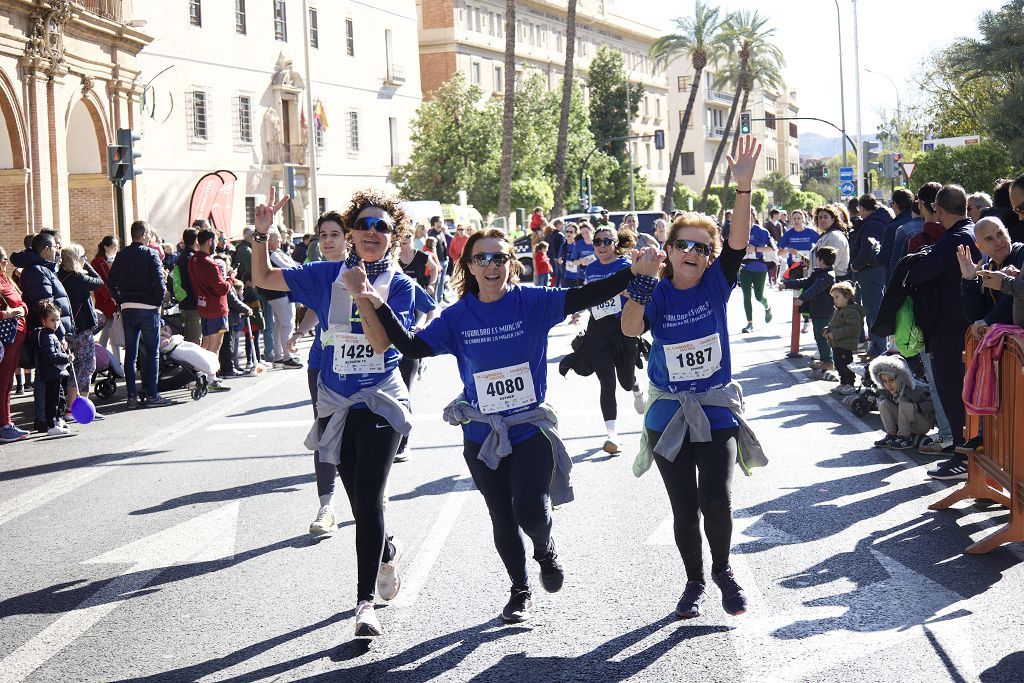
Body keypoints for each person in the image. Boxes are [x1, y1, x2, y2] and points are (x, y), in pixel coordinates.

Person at [356, 225, 663, 626]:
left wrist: (634, 274)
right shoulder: (458, 316)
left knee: (532, 513)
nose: (491, 265)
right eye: (481, 258)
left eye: (499, 257)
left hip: (529, 427)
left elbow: (586, 296)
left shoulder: (531, 302)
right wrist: (374, 302)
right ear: (468, 265)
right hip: (482, 434)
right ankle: (519, 590)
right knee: (502, 517)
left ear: (510, 264)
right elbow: (411, 346)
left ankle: (545, 548)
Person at [253, 188, 416, 638]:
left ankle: (364, 604)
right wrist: (260, 234)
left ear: (392, 236)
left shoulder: (398, 286)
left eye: (382, 227)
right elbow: (266, 277)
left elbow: (383, 345)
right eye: (364, 225)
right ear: (351, 232)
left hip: (381, 400)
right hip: (336, 402)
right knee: (359, 500)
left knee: (369, 496)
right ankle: (386, 550)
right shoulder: (326, 273)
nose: (372, 232)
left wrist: (363, 292)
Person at [620, 135, 767, 621]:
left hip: (716, 406)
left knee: (717, 501)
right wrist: (640, 283)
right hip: (668, 413)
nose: (692, 252)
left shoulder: (716, 282)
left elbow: (740, 241)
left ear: (709, 257)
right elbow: (630, 327)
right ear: (670, 250)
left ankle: (723, 570)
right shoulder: (657, 291)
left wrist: (742, 188)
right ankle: (694, 582)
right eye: (683, 244)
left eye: (702, 248)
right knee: (684, 509)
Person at [904, 184, 980, 480]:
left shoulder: (954, 239)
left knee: (953, 392)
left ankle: (962, 455)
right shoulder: (971, 232)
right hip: (970, 325)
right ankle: (972, 455)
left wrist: (922, 255)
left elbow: (916, 274)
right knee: (971, 394)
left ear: (937, 210)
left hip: (950, 328)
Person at [285, 211, 348, 538]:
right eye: (322, 235)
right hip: (321, 363)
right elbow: (315, 307)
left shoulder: (363, 269)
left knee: (359, 437)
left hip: (360, 367)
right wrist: (299, 332)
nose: (327, 240)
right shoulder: (318, 272)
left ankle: (372, 492)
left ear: (347, 238)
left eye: (334, 234)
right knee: (326, 432)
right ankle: (326, 507)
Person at [560, 225, 645, 454]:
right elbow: (590, 295)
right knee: (606, 382)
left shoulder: (625, 266)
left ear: (616, 244)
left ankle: (636, 387)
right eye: (597, 242)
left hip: (623, 328)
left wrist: (624, 293)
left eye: (607, 241)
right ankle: (612, 435)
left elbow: (637, 294)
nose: (601, 246)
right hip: (598, 329)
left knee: (625, 382)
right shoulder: (591, 268)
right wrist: (578, 310)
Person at [11, 231, 75, 432]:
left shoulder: (41, 268)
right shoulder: (38, 271)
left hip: (47, 330)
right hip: (45, 332)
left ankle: (49, 419)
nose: (58, 251)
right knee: (46, 378)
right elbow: (47, 306)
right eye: (55, 247)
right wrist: (60, 333)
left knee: (49, 377)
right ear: (46, 250)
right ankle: (45, 420)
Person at [109, 220, 172, 408]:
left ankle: (131, 396)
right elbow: (160, 285)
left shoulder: (121, 255)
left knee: (131, 353)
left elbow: (111, 282)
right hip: (148, 308)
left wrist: (121, 300)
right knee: (152, 353)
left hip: (128, 307)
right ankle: (152, 394)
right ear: (144, 235)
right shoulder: (151, 254)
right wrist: (157, 303)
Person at [188, 229, 241, 390]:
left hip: (203, 306)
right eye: (215, 240)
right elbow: (222, 288)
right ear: (209, 241)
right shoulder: (210, 264)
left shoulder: (193, 260)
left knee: (206, 343)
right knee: (215, 345)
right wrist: (231, 278)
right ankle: (211, 378)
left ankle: (202, 374)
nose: (217, 243)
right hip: (216, 308)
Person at [57, 243, 104, 421]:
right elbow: (99, 281)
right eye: (82, 257)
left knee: (76, 368)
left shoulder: (59, 276)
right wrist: (86, 263)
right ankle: (77, 406)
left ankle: (77, 407)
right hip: (82, 329)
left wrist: (81, 260)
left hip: (67, 329)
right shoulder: (78, 278)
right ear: (76, 259)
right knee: (86, 366)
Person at [958, 217, 1024, 335]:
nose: (998, 242)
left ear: (1007, 233)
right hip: (1004, 347)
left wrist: (989, 320)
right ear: (979, 247)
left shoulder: (1021, 254)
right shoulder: (986, 270)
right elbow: (975, 317)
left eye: (1000, 234)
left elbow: (1016, 297)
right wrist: (969, 280)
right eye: (989, 239)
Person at [780, 247, 837, 372]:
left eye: (817, 258)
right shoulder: (820, 273)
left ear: (821, 260)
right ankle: (826, 359)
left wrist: (802, 298)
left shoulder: (827, 276)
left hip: (824, 311)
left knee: (822, 336)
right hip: (818, 310)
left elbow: (815, 288)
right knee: (819, 335)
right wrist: (786, 284)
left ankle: (828, 361)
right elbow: (806, 282)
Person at [849, 194, 891, 358]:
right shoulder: (880, 220)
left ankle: (878, 349)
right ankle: (877, 348)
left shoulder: (871, 224)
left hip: (870, 270)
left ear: (862, 208)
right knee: (875, 309)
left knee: (873, 310)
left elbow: (868, 248)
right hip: (875, 269)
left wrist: (855, 265)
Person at [869, 355, 936, 451]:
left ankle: (905, 438)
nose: (888, 384)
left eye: (891, 380)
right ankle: (892, 435)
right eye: (884, 381)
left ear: (901, 377)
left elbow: (934, 400)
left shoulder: (916, 387)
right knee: (883, 404)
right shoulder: (886, 390)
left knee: (904, 403)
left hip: (922, 423)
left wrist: (918, 407)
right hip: (905, 422)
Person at [0, 247, 29, 442]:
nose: (5, 262)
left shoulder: (6, 279)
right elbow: (9, 309)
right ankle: (3, 425)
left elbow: (22, 302)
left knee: (8, 382)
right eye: (2, 258)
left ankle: (7, 422)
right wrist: (6, 314)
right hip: (6, 339)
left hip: (16, 338)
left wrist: (21, 309)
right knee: (3, 383)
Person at [32, 300, 73, 437]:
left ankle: (58, 420)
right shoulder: (47, 336)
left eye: (58, 320)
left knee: (60, 397)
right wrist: (66, 358)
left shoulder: (50, 334)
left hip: (55, 373)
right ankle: (51, 425)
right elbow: (50, 356)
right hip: (51, 373)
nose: (56, 323)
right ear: (44, 321)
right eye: (52, 320)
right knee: (53, 400)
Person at [264, 227, 302, 368]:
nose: (281, 240)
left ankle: (279, 356)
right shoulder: (273, 254)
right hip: (280, 292)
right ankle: (288, 356)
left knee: (279, 325)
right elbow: (289, 267)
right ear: (272, 240)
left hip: (276, 292)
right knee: (287, 324)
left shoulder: (273, 253)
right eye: (278, 238)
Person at [738, 208, 774, 333]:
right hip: (744, 268)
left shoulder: (762, 231)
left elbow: (772, 248)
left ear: (753, 217)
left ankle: (767, 307)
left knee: (759, 296)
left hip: (759, 267)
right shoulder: (738, 231)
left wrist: (755, 249)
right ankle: (749, 324)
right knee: (746, 295)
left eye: (749, 217)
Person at [824, 282, 863, 395]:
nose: (835, 300)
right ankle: (843, 382)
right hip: (837, 344)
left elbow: (853, 328)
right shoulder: (838, 310)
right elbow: (833, 324)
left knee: (846, 364)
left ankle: (850, 384)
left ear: (847, 296)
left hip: (845, 344)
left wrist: (835, 334)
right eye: (833, 298)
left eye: (837, 297)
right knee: (839, 364)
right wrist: (827, 330)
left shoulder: (852, 312)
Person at [91, 236, 122, 376]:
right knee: (110, 332)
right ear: (106, 247)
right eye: (113, 247)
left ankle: (112, 361)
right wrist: (112, 297)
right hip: (107, 303)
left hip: (108, 301)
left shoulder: (102, 261)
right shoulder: (99, 262)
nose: (115, 250)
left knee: (110, 333)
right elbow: (104, 283)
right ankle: (103, 360)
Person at [172, 227, 202, 345]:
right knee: (194, 342)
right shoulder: (192, 258)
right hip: (193, 305)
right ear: (196, 240)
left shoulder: (181, 257)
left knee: (189, 340)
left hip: (184, 302)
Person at [879, 188, 916, 280]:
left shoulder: (893, 228)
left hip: (897, 279)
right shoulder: (922, 222)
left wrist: (875, 250)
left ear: (895, 204)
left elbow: (883, 259)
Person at [813, 205, 851, 283]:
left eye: (826, 217)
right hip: (824, 279)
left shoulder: (835, 236)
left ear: (833, 219)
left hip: (833, 281)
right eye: (820, 218)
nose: (822, 220)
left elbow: (831, 264)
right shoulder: (825, 235)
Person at [559, 223, 581, 288]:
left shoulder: (578, 246)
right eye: (567, 231)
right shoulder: (563, 246)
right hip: (566, 277)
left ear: (575, 234)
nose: (568, 233)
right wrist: (560, 260)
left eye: (571, 232)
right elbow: (560, 258)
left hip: (578, 277)